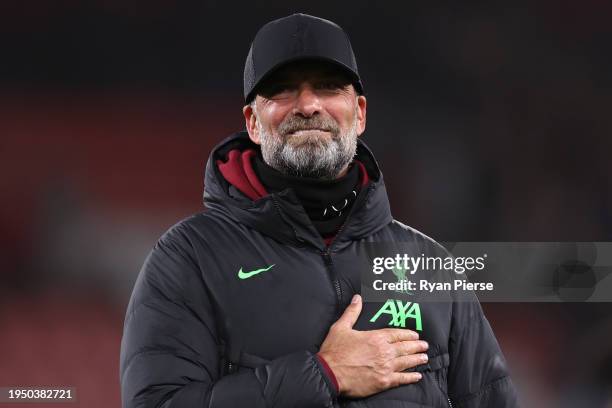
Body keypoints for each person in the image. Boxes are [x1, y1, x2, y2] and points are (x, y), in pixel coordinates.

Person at [120, 13, 519, 408]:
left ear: (359, 113)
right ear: (253, 123)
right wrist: (323, 374)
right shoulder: (190, 257)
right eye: (282, 90)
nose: (308, 105)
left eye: (328, 87)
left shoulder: (429, 265)